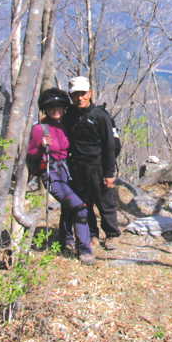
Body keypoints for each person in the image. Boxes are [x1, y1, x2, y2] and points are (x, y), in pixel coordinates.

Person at [27, 88, 95, 265]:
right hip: (51, 174)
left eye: (59, 105)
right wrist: (42, 146)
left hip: (68, 171)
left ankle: (66, 241)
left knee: (68, 208)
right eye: (51, 106)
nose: (55, 109)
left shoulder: (64, 124)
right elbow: (29, 153)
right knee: (79, 207)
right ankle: (84, 250)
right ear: (45, 109)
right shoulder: (39, 129)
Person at [63, 76, 121, 250]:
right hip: (77, 166)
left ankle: (112, 234)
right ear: (70, 96)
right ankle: (91, 235)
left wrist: (109, 174)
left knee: (104, 202)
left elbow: (111, 146)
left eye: (83, 93)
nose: (79, 98)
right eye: (75, 95)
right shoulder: (70, 116)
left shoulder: (100, 117)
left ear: (90, 93)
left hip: (98, 166)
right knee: (84, 203)